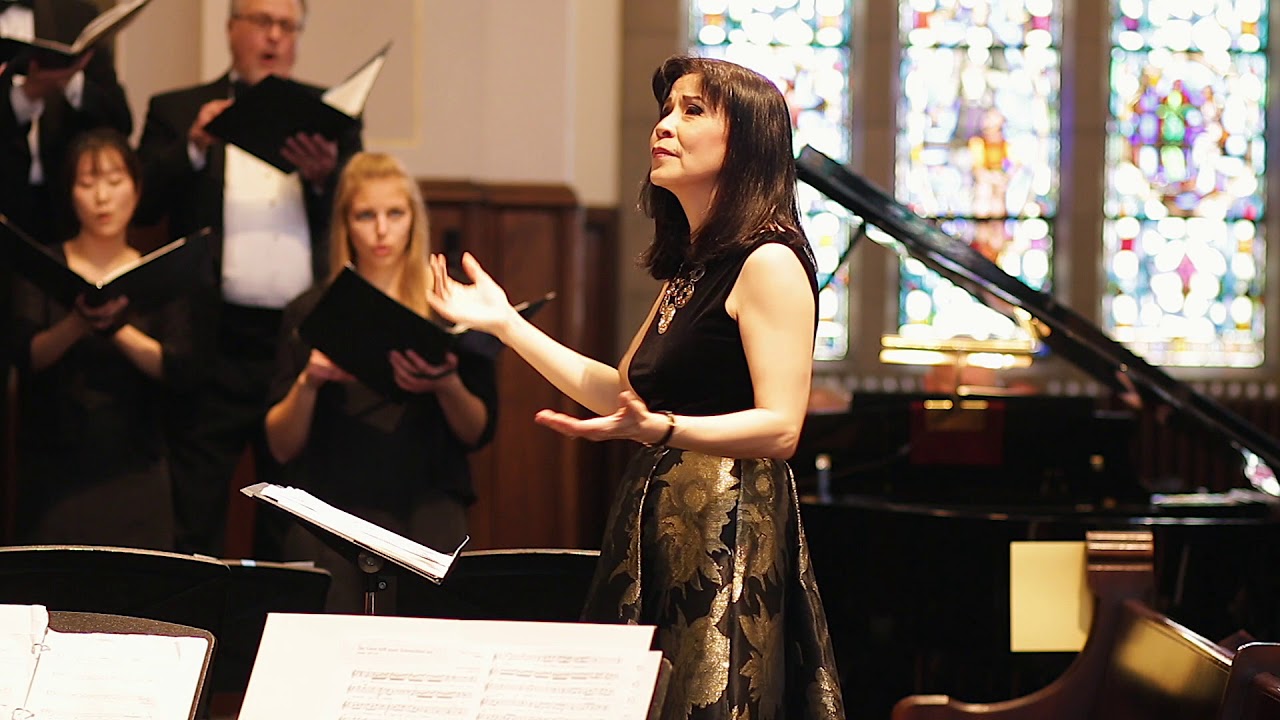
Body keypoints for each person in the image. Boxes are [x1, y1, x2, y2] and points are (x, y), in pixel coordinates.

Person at [427, 55, 846, 720]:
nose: (664, 125)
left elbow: (781, 426)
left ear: (747, 143)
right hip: (665, 528)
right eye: (666, 109)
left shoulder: (769, 261)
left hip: (725, 532)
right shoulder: (692, 268)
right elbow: (619, 391)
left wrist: (665, 429)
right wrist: (506, 324)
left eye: (692, 111)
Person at [135, 0, 362, 557]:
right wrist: (193, 147)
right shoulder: (179, 109)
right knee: (196, 513)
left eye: (287, 26)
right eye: (262, 21)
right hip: (212, 341)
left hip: (298, 344)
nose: (274, 36)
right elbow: (143, 204)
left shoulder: (330, 117)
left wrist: (323, 180)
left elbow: (358, 212)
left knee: (296, 518)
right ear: (231, 28)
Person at [263, 152, 496, 613]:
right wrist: (309, 381)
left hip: (426, 503)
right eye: (366, 216)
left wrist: (445, 383)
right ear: (345, 225)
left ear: (414, 219)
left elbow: (478, 431)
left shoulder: (449, 308)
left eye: (395, 213)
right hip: (330, 509)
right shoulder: (311, 311)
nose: (382, 230)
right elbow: (279, 446)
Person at [8, 128, 193, 550]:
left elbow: (179, 367)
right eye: (87, 183)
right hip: (55, 469)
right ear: (69, 193)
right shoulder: (42, 266)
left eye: (114, 180)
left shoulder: (163, 271)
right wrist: (78, 321)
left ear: (137, 188)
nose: (102, 198)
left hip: (137, 465)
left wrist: (115, 327)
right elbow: (27, 356)